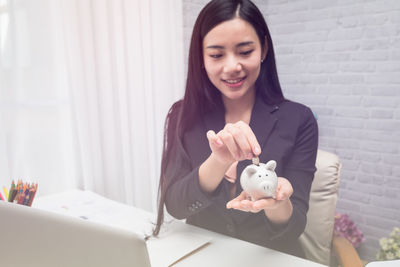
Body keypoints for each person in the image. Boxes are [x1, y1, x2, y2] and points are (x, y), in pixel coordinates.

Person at [153, 0, 318, 258]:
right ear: (201, 57)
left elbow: (294, 227)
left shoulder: (299, 119)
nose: (231, 67)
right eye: (217, 55)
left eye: (244, 51)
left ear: (263, 48)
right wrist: (217, 162)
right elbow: (175, 206)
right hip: (204, 256)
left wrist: (278, 203)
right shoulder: (182, 114)